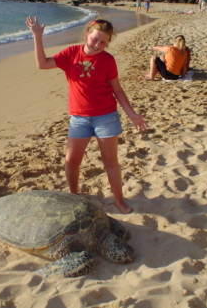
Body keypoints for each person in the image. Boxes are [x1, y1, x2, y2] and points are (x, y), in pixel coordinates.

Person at [25, 16, 148, 213]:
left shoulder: (108, 60)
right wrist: (37, 36)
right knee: (71, 161)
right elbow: (42, 64)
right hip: (79, 119)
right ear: (86, 35)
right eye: (94, 39)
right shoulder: (71, 53)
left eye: (103, 42)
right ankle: (74, 197)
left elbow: (117, 90)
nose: (98, 44)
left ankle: (119, 200)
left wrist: (132, 114)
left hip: (106, 117)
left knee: (110, 162)